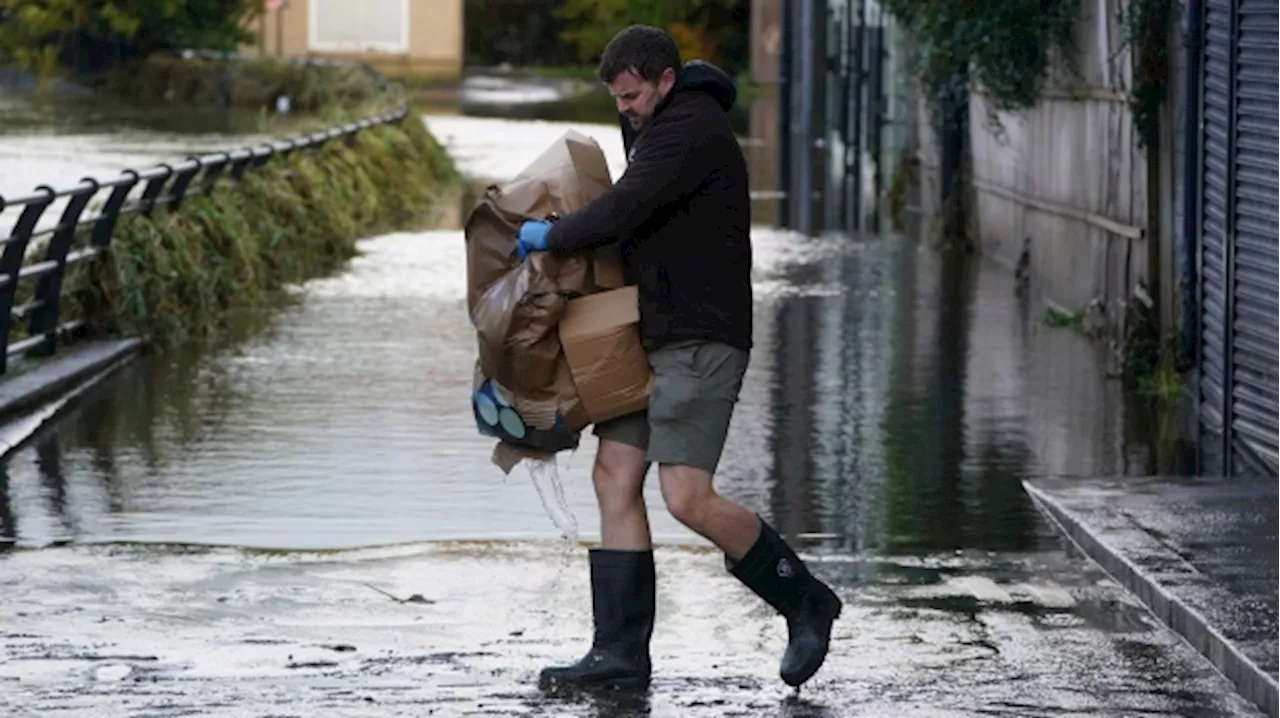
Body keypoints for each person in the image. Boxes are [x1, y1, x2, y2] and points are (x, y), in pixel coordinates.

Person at [514, 25, 843, 692]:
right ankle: (620, 656)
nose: (624, 109)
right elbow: (639, 223)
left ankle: (804, 598)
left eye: (632, 96)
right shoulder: (657, 123)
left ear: (665, 80)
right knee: (614, 475)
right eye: (616, 99)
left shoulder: (690, 128)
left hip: (702, 336)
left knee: (686, 496)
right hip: (654, 333)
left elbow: (625, 207)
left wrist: (553, 235)